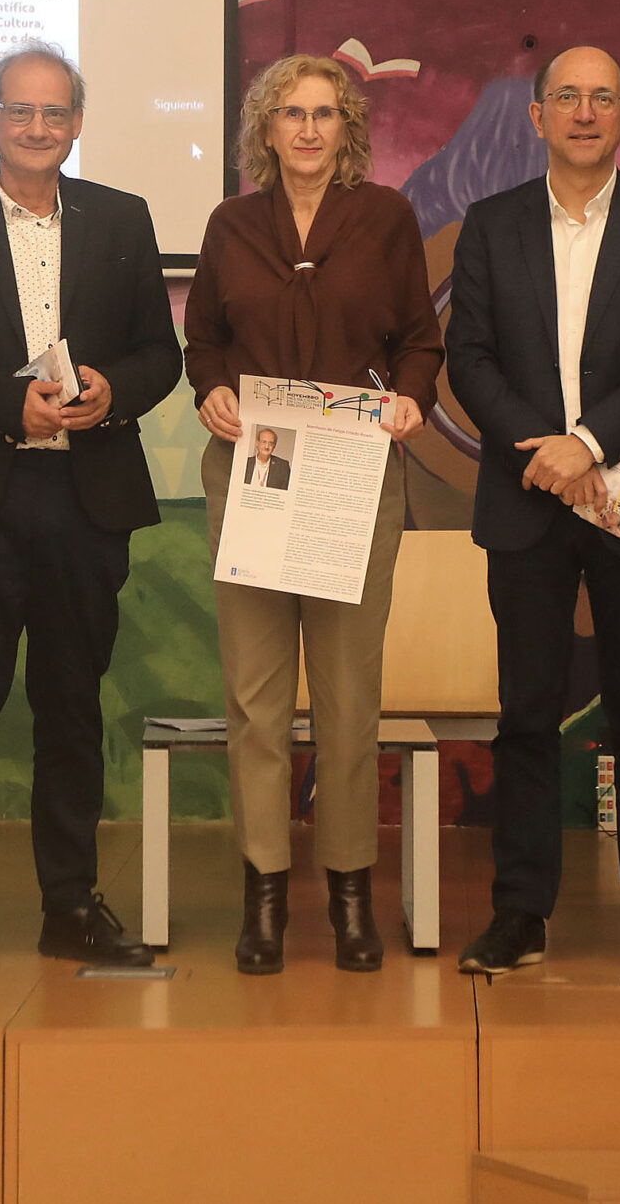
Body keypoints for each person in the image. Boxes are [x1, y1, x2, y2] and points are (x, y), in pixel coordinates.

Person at [0, 45, 183, 976]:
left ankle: (69, 906)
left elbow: (157, 355)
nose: (39, 128)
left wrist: (110, 389)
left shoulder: (123, 219)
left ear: (78, 123)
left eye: (57, 113)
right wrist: (3, 403)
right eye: (21, 111)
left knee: (71, 710)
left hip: (85, 500)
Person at [443, 47, 620, 982]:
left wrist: (590, 444)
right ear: (535, 116)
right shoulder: (489, 224)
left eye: (605, 96)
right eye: (567, 96)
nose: (585, 111)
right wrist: (547, 453)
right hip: (529, 499)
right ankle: (520, 913)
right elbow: (469, 358)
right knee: (526, 713)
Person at [185, 52, 442, 974]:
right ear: (265, 129)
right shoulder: (231, 223)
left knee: (345, 698)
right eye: (289, 113)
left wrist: (411, 400)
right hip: (252, 467)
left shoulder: (386, 218)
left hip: (351, 471)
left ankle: (346, 896)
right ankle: (262, 898)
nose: (306, 129)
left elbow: (420, 339)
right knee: (255, 700)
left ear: (347, 129)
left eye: (324, 114)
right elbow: (204, 340)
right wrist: (211, 391)